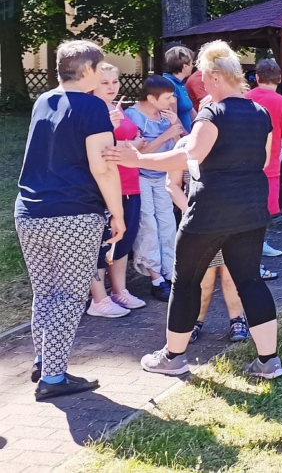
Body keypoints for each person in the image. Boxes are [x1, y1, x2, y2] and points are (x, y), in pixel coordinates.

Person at [104, 40, 282, 379]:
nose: (200, 85)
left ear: (215, 76)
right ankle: (268, 361)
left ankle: (173, 357)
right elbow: (261, 160)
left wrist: (137, 159)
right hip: (251, 211)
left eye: (203, 77)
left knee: (185, 282)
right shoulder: (260, 113)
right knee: (250, 281)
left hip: (209, 214)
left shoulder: (212, 113)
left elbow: (190, 156)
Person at [15, 40, 125, 400]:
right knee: (71, 295)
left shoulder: (43, 100)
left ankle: (43, 361)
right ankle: (54, 377)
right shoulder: (93, 106)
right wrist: (117, 212)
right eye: (100, 67)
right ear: (88, 70)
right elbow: (102, 166)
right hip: (74, 213)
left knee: (46, 292)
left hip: (29, 210)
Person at [166, 138, 249, 344]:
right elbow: (172, 184)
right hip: (198, 224)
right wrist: (191, 212)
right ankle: (194, 322)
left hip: (232, 222)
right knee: (203, 278)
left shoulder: (233, 141)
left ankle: (237, 320)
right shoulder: (184, 145)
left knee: (231, 275)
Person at [87, 63, 148, 318]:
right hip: (106, 185)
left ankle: (119, 290)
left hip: (130, 182)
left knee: (124, 239)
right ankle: (98, 298)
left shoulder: (116, 107)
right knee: (102, 242)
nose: (111, 87)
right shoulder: (91, 109)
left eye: (115, 81)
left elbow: (135, 140)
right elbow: (100, 148)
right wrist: (130, 144)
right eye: (105, 82)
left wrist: (132, 143)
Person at [125, 76, 186, 300]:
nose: (172, 101)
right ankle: (155, 277)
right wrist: (166, 135)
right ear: (151, 98)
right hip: (142, 176)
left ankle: (170, 270)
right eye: (168, 97)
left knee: (167, 222)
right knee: (148, 224)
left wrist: (175, 127)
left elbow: (182, 145)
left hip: (164, 175)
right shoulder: (133, 115)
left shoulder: (165, 115)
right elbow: (137, 155)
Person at [246, 59, 282, 261]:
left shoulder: (245, 98)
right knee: (264, 210)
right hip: (269, 165)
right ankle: (258, 246)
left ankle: (248, 247)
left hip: (244, 163)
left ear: (257, 78)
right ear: (279, 79)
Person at [163, 45, 197, 133]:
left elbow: (190, 110)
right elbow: (172, 118)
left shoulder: (181, 83)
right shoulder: (169, 84)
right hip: (179, 137)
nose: (193, 66)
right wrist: (186, 136)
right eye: (192, 63)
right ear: (185, 66)